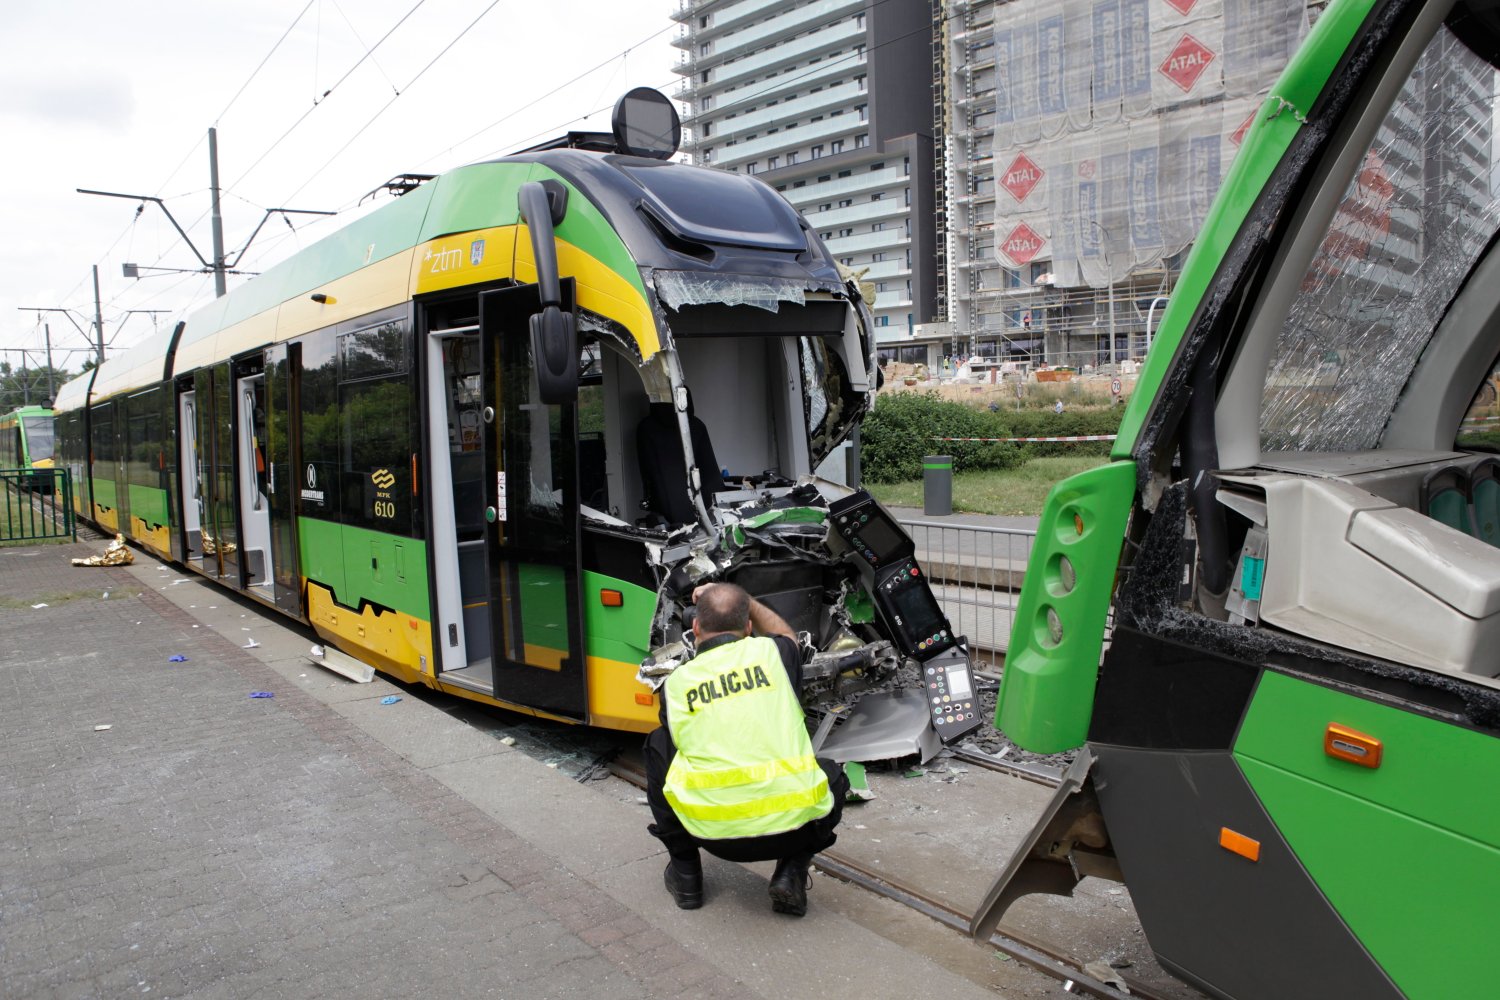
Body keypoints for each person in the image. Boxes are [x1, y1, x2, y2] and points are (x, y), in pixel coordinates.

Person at [644, 582, 848, 917]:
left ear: (696, 627)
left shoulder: (677, 683)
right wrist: (747, 601)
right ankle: (791, 872)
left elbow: (682, 743)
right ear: (749, 627)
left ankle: (686, 875)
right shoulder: (774, 655)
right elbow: (788, 636)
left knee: (658, 745)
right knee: (834, 776)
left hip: (713, 835)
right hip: (794, 832)